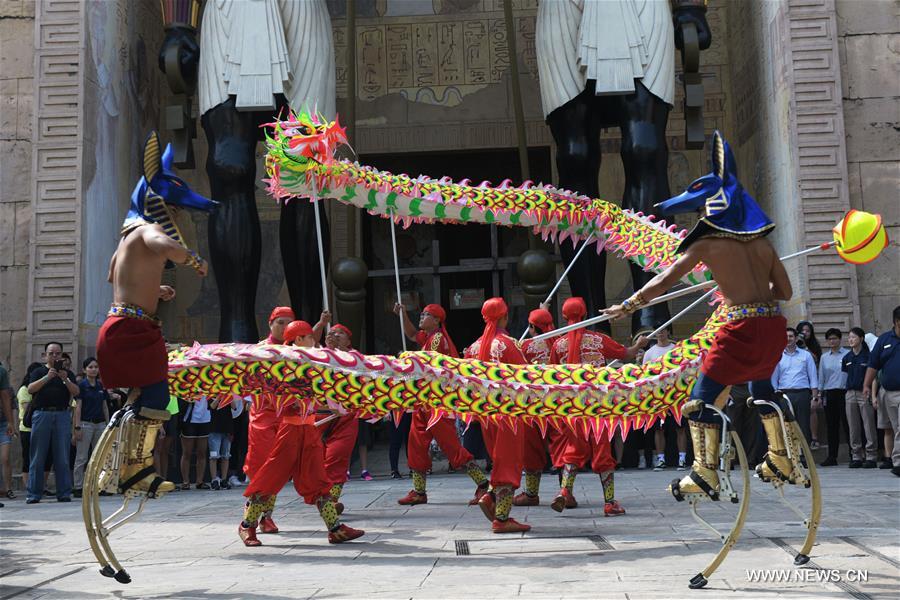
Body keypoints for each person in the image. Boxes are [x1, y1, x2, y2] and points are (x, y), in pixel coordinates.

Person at [602, 131, 795, 500]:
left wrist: (627, 306)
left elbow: (662, 281)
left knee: (700, 398)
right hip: (771, 326)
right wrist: (755, 296)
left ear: (713, 206)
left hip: (739, 326)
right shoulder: (762, 244)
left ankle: (704, 473)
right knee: (762, 388)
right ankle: (781, 457)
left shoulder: (707, 243)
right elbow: (784, 293)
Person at [95, 133, 215, 506]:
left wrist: (153, 289)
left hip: (124, 324)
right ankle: (135, 470)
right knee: (157, 395)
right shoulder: (148, 230)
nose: (177, 217)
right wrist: (192, 259)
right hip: (130, 329)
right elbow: (167, 248)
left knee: (140, 401)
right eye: (175, 210)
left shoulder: (126, 240)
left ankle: (118, 467)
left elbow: (114, 277)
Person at [238, 319, 364, 546]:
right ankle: (247, 526)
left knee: (318, 480)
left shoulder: (310, 362)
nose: (314, 340)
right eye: (309, 337)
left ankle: (335, 529)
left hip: (308, 429)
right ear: (298, 340)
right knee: (270, 479)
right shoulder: (282, 363)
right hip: (290, 431)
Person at [549, 297, 645, 516]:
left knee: (572, 451)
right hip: (597, 406)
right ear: (584, 315)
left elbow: (553, 376)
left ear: (564, 317)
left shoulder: (558, 344)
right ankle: (609, 503)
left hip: (572, 407)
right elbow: (626, 354)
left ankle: (565, 491)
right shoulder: (597, 340)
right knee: (602, 452)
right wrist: (639, 345)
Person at [393, 303, 490, 507]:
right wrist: (402, 313)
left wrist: (409, 357)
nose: (421, 317)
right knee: (416, 444)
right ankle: (419, 491)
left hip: (437, 402)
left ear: (437, 320)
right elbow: (411, 333)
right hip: (424, 401)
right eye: (421, 314)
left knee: (452, 448)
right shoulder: (428, 337)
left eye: (426, 315)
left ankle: (483, 484)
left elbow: (430, 363)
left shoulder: (437, 339)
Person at [464, 297, 531, 533]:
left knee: (499, 460)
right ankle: (501, 518)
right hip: (509, 414)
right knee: (509, 464)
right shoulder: (508, 344)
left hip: (485, 415)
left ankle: (490, 497)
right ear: (505, 317)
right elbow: (527, 378)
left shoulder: (472, 348)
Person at [514, 306, 558, 506]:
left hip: (532, 405)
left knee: (532, 448)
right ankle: (566, 492)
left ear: (532, 327)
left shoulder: (524, 347)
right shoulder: (560, 343)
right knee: (561, 447)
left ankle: (531, 493)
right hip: (558, 403)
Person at [25, 342, 79, 503]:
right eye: (51, 353)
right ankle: (34, 494)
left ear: (62, 355)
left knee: (62, 455)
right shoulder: (38, 371)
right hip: (42, 414)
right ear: (45, 355)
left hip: (62, 415)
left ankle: (63, 493)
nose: (55, 356)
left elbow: (76, 392)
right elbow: (30, 389)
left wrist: (65, 380)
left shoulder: (68, 373)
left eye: (58, 353)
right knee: (37, 455)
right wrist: (48, 377)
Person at [321, 324, 361, 513]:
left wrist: (338, 351)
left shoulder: (355, 357)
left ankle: (331, 501)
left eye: (341, 333)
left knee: (336, 459)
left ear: (348, 340)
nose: (336, 335)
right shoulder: (322, 354)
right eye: (333, 333)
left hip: (346, 416)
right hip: (322, 414)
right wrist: (328, 350)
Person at [642, 327, 687, 470]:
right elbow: (644, 376)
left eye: (663, 330)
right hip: (658, 396)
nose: (660, 334)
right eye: (657, 331)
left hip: (675, 395)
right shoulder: (649, 353)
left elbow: (684, 370)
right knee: (659, 429)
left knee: (680, 428)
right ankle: (661, 460)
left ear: (668, 332)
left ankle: (682, 459)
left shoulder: (676, 349)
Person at [864, 305, 900, 477]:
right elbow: (873, 364)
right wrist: (866, 385)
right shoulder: (884, 340)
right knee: (895, 427)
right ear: (896, 322)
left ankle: (898, 462)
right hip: (890, 392)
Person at [771, 328, 820, 444]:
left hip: (802, 394)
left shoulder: (806, 355)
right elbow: (774, 379)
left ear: (796, 338)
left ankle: (804, 456)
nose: (788, 339)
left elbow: (813, 377)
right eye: (786, 336)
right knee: (786, 426)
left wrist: (814, 398)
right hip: (784, 395)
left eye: (791, 336)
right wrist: (776, 396)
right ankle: (790, 458)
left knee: (803, 425)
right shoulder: (778, 356)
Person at [72, 358, 110, 497]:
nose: (93, 369)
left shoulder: (101, 386)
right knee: (81, 457)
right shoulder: (81, 386)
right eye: (90, 367)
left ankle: (99, 485)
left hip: (100, 424)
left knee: (99, 457)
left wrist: (108, 424)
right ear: (84, 370)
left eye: (95, 367)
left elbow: (104, 406)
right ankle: (78, 486)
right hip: (86, 423)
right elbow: (78, 407)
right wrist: (77, 426)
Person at [842, 327, 876, 468]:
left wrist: (872, 394)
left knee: (868, 424)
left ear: (861, 339)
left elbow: (873, 377)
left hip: (864, 392)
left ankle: (871, 455)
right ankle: (856, 455)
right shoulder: (847, 358)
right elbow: (845, 375)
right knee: (853, 426)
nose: (850, 340)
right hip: (850, 393)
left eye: (853, 337)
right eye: (849, 337)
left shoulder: (869, 356)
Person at [817, 329, 848, 466]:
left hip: (844, 392)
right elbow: (821, 377)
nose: (832, 341)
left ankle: (855, 454)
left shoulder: (848, 354)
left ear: (840, 339)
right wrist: (819, 394)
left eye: (835, 338)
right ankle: (832, 456)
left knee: (848, 424)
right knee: (831, 426)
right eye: (829, 339)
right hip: (829, 393)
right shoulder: (824, 357)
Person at [16, 363, 47, 495]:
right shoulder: (24, 389)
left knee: (44, 458)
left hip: (40, 427)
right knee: (28, 458)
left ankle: (41, 486)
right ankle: (29, 486)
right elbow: (26, 407)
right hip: (27, 429)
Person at [209, 396, 243, 490]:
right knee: (214, 456)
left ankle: (224, 480)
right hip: (214, 429)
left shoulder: (228, 397)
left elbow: (234, 407)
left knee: (226, 456)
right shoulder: (211, 395)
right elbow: (212, 406)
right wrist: (219, 397)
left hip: (227, 429)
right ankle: (214, 480)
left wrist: (228, 397)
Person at [180, 396, 210, 489]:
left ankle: (199, 481)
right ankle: (185, 481)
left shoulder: (209, 384)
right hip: (190, 420)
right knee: (187, 453)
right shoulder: (190, 383)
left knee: (202, 452)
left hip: (205, 419)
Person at [0, 361, 16, 502]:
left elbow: (6, 398)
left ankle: (8, 488)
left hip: (3, 422)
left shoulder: (1, 372)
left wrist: (11, 422)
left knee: (4, 457)